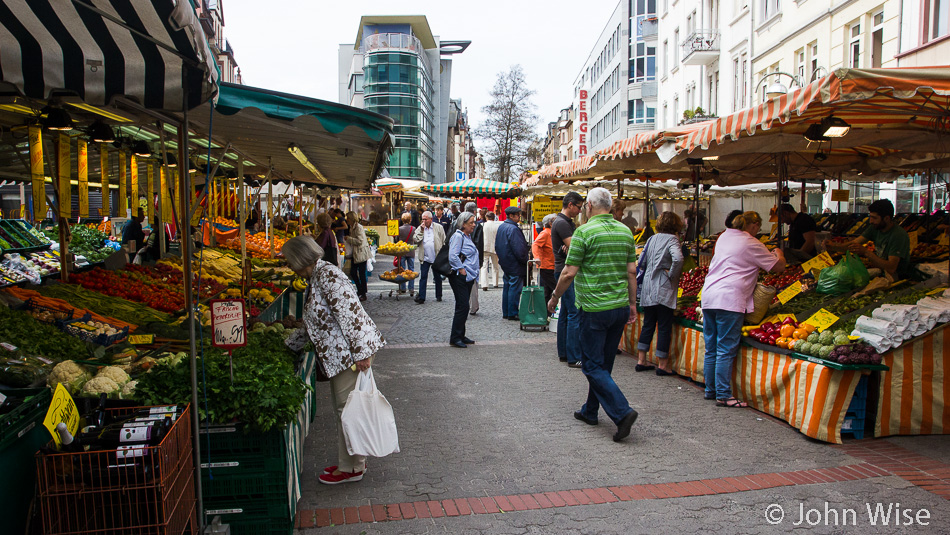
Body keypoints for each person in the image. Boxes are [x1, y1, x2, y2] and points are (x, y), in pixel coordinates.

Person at [282, 236, 384, 485]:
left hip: (347, 355)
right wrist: (289, 346)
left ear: (298, 259)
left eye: (288, 261)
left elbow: (351, 314)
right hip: (340, 355)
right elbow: (313, 322)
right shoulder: (317, 276)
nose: (287, 266)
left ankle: (352, 468)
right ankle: (352, 462)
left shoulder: (327, 275)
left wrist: (361, 354)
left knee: (347, 411)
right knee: (346, 410)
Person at [546, 187, 640, 442]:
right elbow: (632, 272)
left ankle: (622, 412)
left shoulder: (584, 232)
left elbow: (568, 273)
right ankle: (590, 410)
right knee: (603, 364)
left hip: (594, 308)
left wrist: (554, 297)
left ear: (588, 206)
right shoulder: (625, 231)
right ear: (609, 206)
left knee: (591, 365)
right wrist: (632, 304)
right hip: (619, 306)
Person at [701, 211, 785, 407]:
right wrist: (778, 252)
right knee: (725, 348)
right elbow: (778, 267)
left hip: (709, 295)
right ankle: (723, 395)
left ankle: (710, 389)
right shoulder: (751, 242)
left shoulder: (724, 236)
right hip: (730, 299)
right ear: (754, 225)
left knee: (711, 347)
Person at [636, 212, 685, 376]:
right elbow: (678, 259)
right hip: (663, 286)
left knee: (648, 323)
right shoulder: (672, 239)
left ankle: (641, 360)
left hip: (648, 286)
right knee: (664, 326)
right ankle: (662, 364)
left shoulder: (652, 238)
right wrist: (671, 274)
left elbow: (642, 259)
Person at [825, 199, 910, 280]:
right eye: (870, 217)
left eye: (874, 218)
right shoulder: (875, 228)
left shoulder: (898, 235)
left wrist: (866, 252)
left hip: (897, 278)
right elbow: (854, 243)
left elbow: (891, 268)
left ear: (887, 218)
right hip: (881, 273)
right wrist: (833, 246)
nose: (870, 221)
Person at [552, 192, 583, 367]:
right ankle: (574, 356)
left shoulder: (564, 222)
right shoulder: (563, 223)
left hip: (561, 268)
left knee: (565, 312)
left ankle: (564, 352)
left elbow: (572, 247)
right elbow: (576, 248)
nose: (579, 211)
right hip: (566, 270)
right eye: (578, 207)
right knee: (573, 312)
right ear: (570, 205)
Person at [447, 212, 479, 348]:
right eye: (471, 222)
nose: (474, 225)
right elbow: (452, 255)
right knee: (463, 306)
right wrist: (461, 270)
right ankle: (455, 337)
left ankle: (460, 334)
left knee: (463, 305)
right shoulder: (458, 236)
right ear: (463, 223)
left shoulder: (467, 236)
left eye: (474, 222)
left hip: (468, 276)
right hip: (460, 276)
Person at [495, 206, 529, 320]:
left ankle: (507, 311)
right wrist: (525, 260)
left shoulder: (502, 227)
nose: (519, 217)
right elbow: (519, 249)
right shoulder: (513, 229)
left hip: (506, 262)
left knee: (508, 287)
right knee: (514, 288)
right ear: (511, 216)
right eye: (518, 215)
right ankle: (512, 312)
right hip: (514, 263)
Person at [412, 211, 445, 304]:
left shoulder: (438, 227)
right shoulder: (420, 228)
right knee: (423, 277)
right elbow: (416, 239)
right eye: (422, 219)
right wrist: (421, 231)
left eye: (425, 219)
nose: (424, 221)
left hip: (436, 257)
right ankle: (422, 297)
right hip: (425, 257)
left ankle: (439, 295)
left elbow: (443, 240)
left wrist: (442, 255)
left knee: (437, 277)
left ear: (431, 219)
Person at [344, 211, 371, 302]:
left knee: (361, 274)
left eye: (347, 218)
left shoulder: (358, 228)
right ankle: (360, 290)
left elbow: (360, 241)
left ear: (351, 219)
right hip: (355, 254)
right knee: (353, 272)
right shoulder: (352, 227)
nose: (346, 220)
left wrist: (349, 239)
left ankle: (363, 293)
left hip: (361, 253)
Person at [463, 202, 484, 315]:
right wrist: (480, 260)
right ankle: (473, 306)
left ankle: (466, 305)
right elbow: (479, 244)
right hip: (472, 259)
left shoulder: (458, 223)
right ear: (475, 212)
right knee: (473, 283)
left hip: (461, 259)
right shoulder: (477, 226)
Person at [532, 214, 557, 304]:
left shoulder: (552, 233)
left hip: (551, 266)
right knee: (557, 288)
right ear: (550, 224)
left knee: (548, 291)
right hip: (547, 267)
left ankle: (546, 313)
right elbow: (535, 245)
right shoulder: (545, 233)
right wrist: (537, 257)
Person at [480, 211, 502, 290]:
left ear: (486, 217)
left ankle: (484, 284)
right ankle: (495, 283)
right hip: (494, 247)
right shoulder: (497, 226)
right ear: (494, 218)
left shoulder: (483, 225)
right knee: (495, 266)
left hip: (485, 247)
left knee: (484, 266)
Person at [396, 213, 416, 295]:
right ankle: (411, 288)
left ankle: (402, 288)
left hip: (402, 251)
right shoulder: (413, 228)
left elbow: (396, 239)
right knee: (411, 270)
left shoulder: (399, 229)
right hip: (410, 251)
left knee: (402, 270)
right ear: (410, 219)